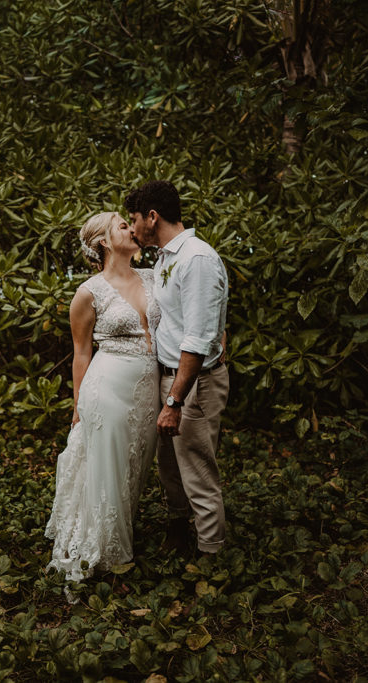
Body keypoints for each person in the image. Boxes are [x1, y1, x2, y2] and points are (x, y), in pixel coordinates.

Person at [44, 211, 161, 589]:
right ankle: (108, 556)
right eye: (123, 226)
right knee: (107, 467)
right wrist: (78, 406)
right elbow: (81, 353)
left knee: (134, 465)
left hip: (148, 390)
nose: (132, 228)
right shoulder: (89, 292)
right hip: (107, 386)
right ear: (105, 243)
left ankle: (118, 536)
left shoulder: (154, 277)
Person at [125, 180, 230, 558]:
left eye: (134, 219)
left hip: (193, 384)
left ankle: (211, 557)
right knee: (169, 466)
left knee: (198, 472)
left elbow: (198, 339)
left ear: (152, 217)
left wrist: (174, 400)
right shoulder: (167, 257)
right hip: (171, 378)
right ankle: (179, 532)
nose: (132, 227)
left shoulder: (196, 259)